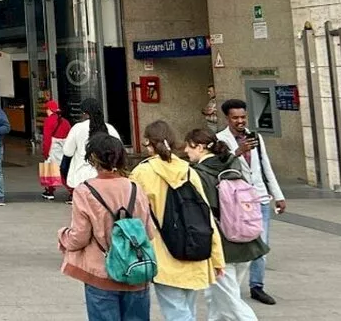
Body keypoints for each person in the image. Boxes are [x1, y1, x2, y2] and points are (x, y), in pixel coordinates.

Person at [130, 121, 224, 321]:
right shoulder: (188, 170)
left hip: (163, 252)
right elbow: (205, 214)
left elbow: (134, 216)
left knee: (177, 314)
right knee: (186, 310)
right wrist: (217, 257)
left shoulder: (142, 172)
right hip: (194, 248)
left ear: (149, 143)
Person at [58, 133, 154, 321]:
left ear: (93, 159)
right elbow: (148, 232)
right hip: (136, 271)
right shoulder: (135, 188)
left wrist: (63, 236)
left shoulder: (85, 191)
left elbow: (80, 237)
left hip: (102, 273)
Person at [182, 128, 264, 321]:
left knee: (231, 304)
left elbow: (202, 213)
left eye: (188, 146)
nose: (186, 150)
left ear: (200, 147)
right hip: (247, 239)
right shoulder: (232, 163)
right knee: (217, 299)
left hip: (222, 247)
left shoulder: (198, 174)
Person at [215, 99, 284, 306]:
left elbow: (265, 167)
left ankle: (257, 286)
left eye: (243, 117)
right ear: (227, 118)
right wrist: (236, 151)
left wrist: (278, 195)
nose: (240, 121)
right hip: (236, 201)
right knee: (239, 243)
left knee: (261, 244)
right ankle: (232, 287)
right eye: (235, 118)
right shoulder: (220, 139)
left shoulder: (256, 138)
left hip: (259, 197)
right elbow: (218, 167)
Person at [64, 99, 122, 193]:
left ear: (84, 113)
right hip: (106, 176)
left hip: (81, 177)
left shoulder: (77, 128)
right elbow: (120, 149)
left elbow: (67, 152)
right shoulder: (110, 128)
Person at [41, 100, 72, 201]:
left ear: (49, 109)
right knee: (63, 169)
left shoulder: (49, 120)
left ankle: (70, 191)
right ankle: (51, 190)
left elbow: (47, 139)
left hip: (53, 148)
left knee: (53, 169)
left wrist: (45, 152)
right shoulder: (65, 121)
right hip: (65, 147)